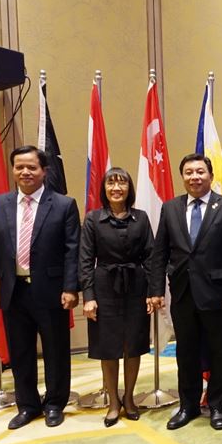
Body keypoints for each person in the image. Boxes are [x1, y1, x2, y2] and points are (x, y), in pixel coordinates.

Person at [0, 145, 80, 429]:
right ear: (13, 170)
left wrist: (72, 287)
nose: (25, 172)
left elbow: (73, 251)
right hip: (14, 290)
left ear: (44, 171)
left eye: (31, 167)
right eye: (19, 167)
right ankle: (28, 405)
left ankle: (55, 403)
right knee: (21, 352)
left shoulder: (63, 205)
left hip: (51, 291)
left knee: (56, 351)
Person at [149, 154, 222, 431]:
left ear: (210, 175)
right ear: (183, 177)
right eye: (189, 172)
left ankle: (216, 405)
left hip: (217, 293)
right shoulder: (170, 208)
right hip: (182, 293)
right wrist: (156, 289)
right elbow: (160, 254)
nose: (195, 177)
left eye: (200, 172)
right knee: (186, 353)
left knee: (219, 352)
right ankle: (188, 405)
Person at [79, 168, 154, 427]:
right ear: (105, 189)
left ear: (129, 189)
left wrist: (152, 293)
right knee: (107, 347)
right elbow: (85, 261)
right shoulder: (92, 219)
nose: (116, 187)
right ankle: (113, 402)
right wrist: (88, 297)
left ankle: (130, 398)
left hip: (136, 286)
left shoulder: (141, 218)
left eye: (122, 183)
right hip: (104, 288)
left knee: (133, 345)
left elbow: (152, 257)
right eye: (111, 182)